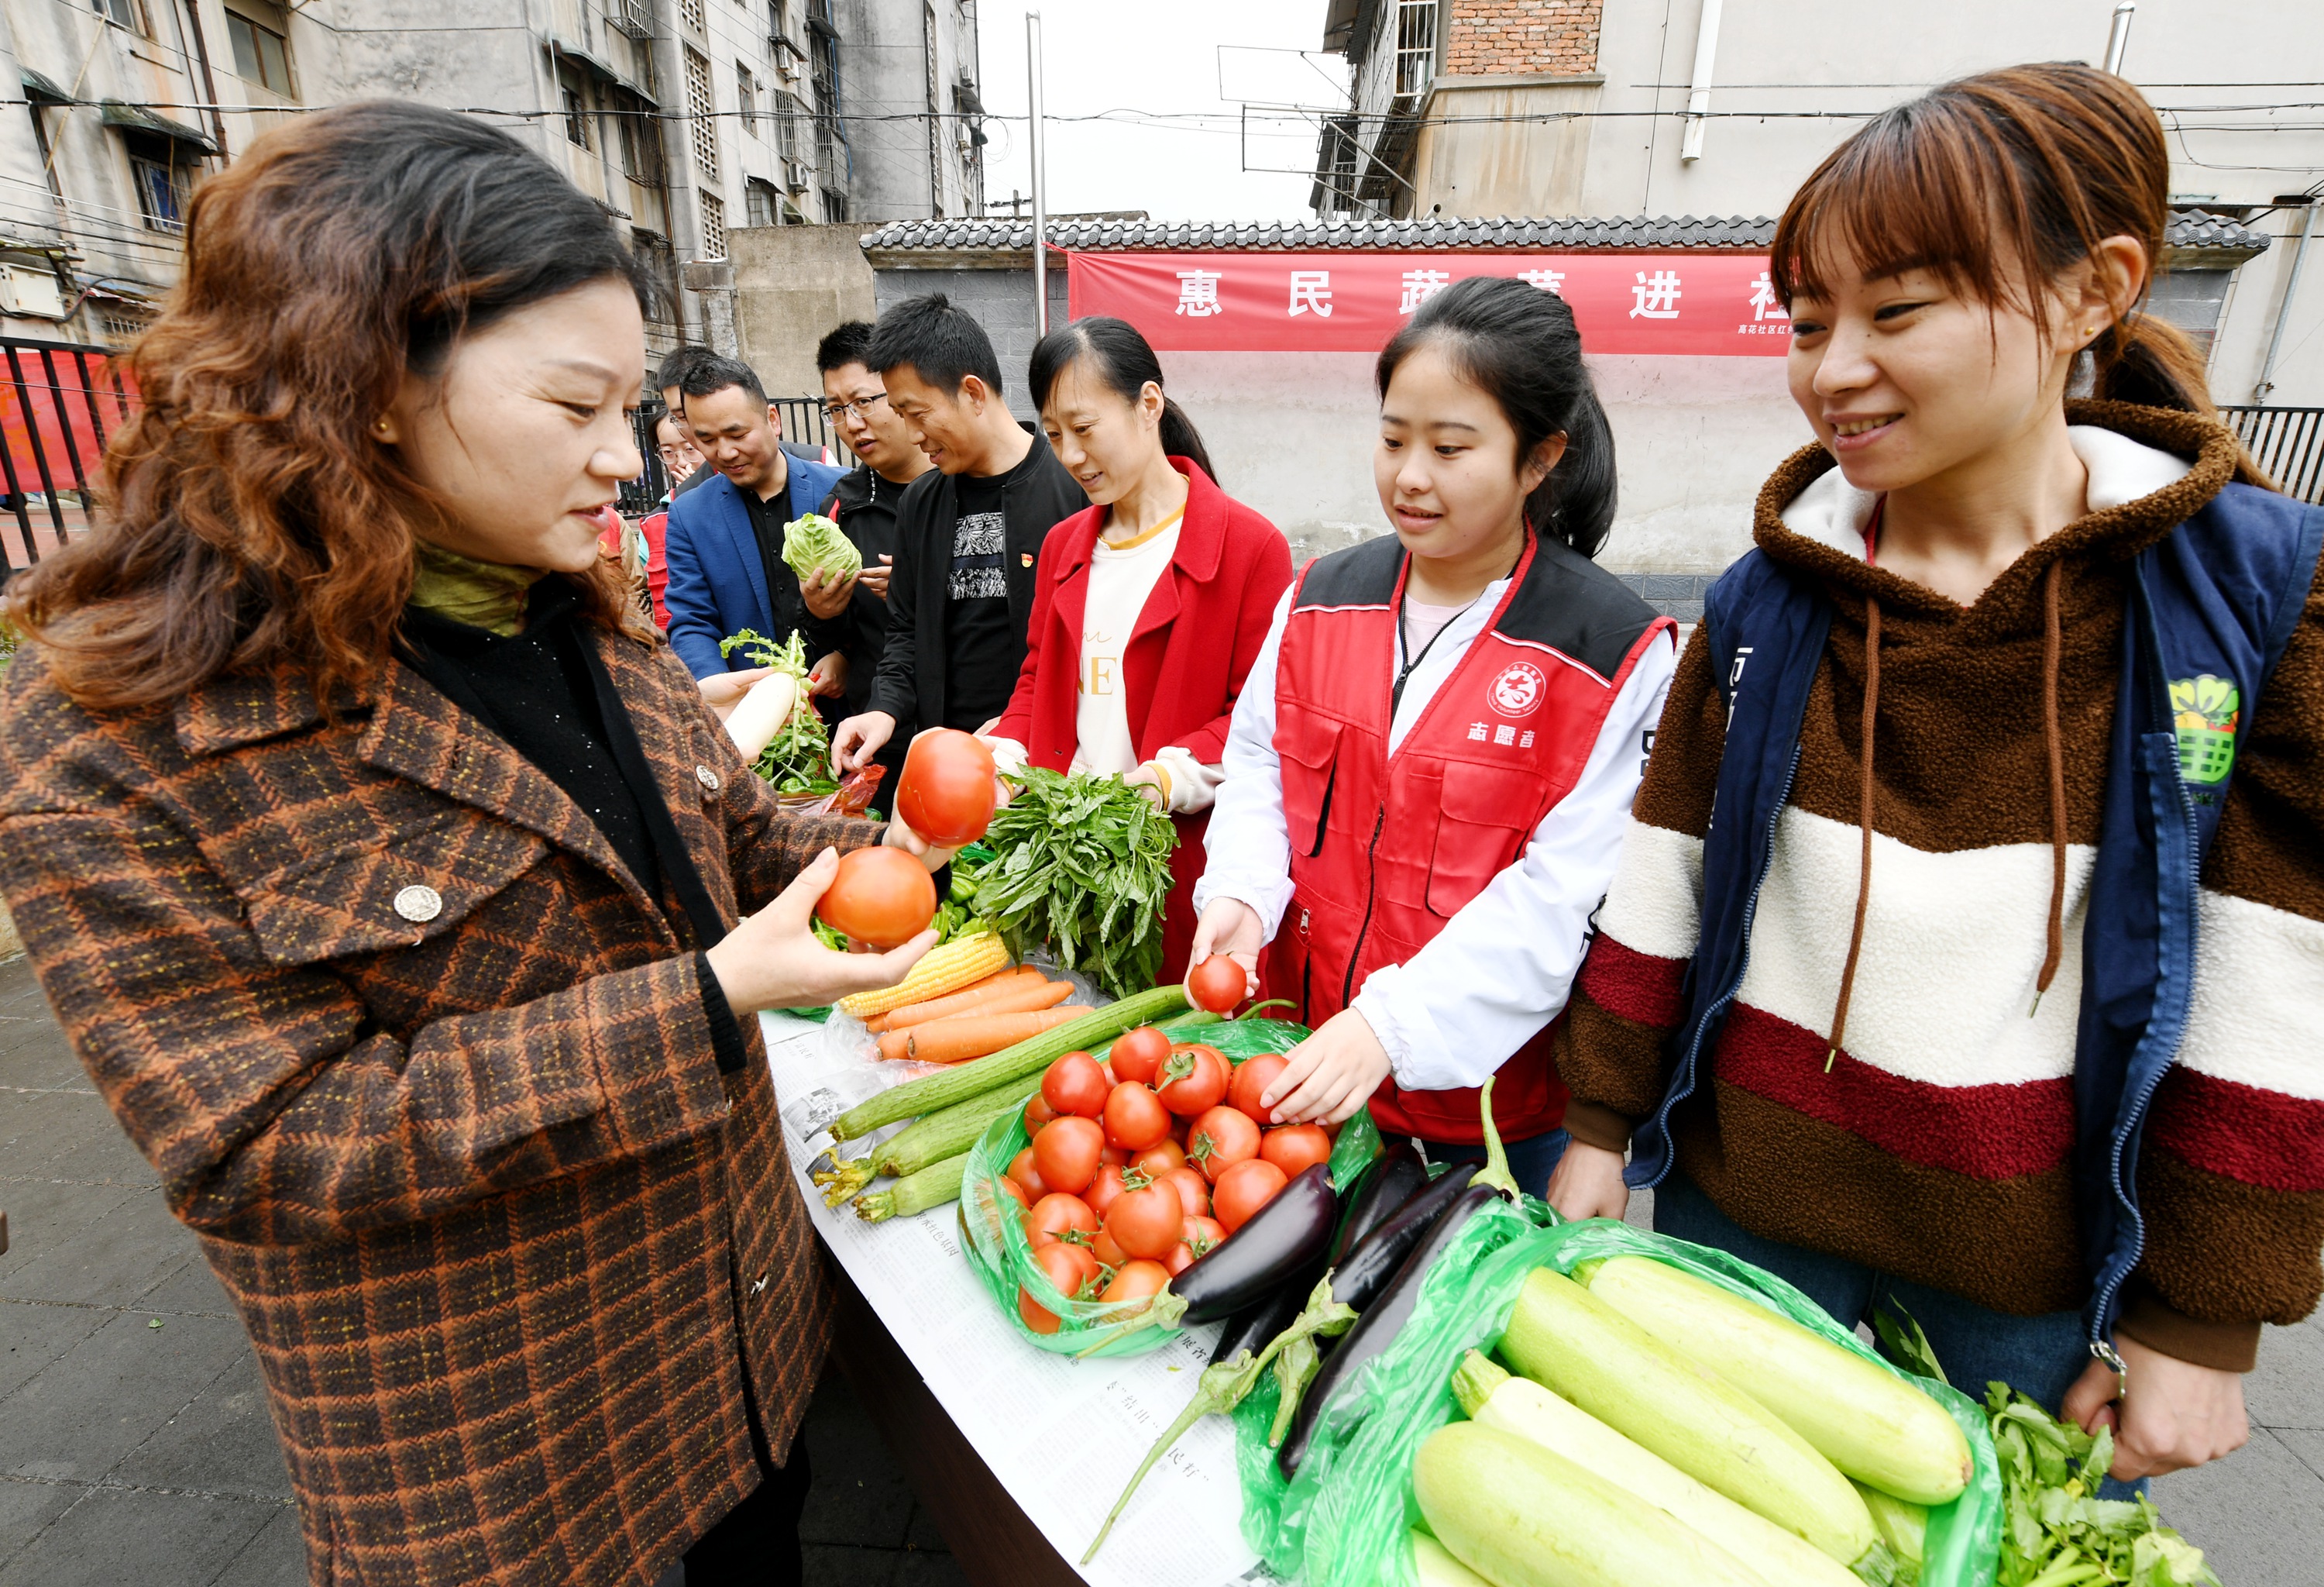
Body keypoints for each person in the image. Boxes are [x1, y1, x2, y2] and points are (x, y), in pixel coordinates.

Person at [0, 102, 954, 1586]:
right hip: (508, 1455)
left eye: (630, 410)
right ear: (371, 384)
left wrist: (912, 845)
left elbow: (733, 828)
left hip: (736, 1348)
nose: (625, 460)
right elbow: (267, 1145)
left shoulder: (576, 603)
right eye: (574, 408)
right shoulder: (121, 741)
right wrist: (706, 1000)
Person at [1545, 63, 2324, 1488]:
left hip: (2036, 1278)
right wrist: (1598, 1125)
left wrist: (2204, 1313)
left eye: (1897, 312)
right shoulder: (1767, 599)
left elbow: (2275, 971)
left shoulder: (2246, 602)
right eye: (1808, 322)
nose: (1833, 369)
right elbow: (1664, 876)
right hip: (1744, 1212)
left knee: (2010, 1554)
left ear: (2093, 292)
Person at [1190, 276, 1676, 1195]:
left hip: (1493, 1115)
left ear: (1540, 458)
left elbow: (1563, 895)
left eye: (1450, 447)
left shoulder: (1610, 650)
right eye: (1392, 438)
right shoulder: (1320, 598)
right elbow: (1261, 760)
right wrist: (1245, 891)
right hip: (1308, 1070)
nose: (1410, 475)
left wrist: (1392, 1025)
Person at [988, 317, 1292, 981]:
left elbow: (1258, 721)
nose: (1071, 456)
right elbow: (1036, 680)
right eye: (1054, 435)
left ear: (1148, 404)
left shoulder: (1250, 546)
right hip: (1064, 870)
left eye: (1084, 428)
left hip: (1172, 870)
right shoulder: (1065, 545)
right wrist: (1003, 757)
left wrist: (1161, 782)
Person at [830, 294, 1085, 771]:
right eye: (901, 416)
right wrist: (884, 709)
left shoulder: (1073, 489)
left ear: (972, 393)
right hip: (948, 763)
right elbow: (905, 632)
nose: (912, 434)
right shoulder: (921, 502)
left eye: (917, 413)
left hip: (1047, 764)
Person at [662, 356, 850, 692]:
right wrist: (718, 687)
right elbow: (692, 622)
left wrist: (849, 655)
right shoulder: (689, 515)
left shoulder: (842, 489)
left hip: (851, 704)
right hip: (751, 705)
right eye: (707, 440)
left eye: (737, 434)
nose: (725, 452)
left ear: (773, 420)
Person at [813, 320, 928, 746]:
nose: (851, 423)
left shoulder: (963, 485)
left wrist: (918, 590)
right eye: (836, 409)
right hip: (880, 731)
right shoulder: (840, 508)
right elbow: (840, 639)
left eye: (863, 402)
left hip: (969, 727)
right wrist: (821, 612)